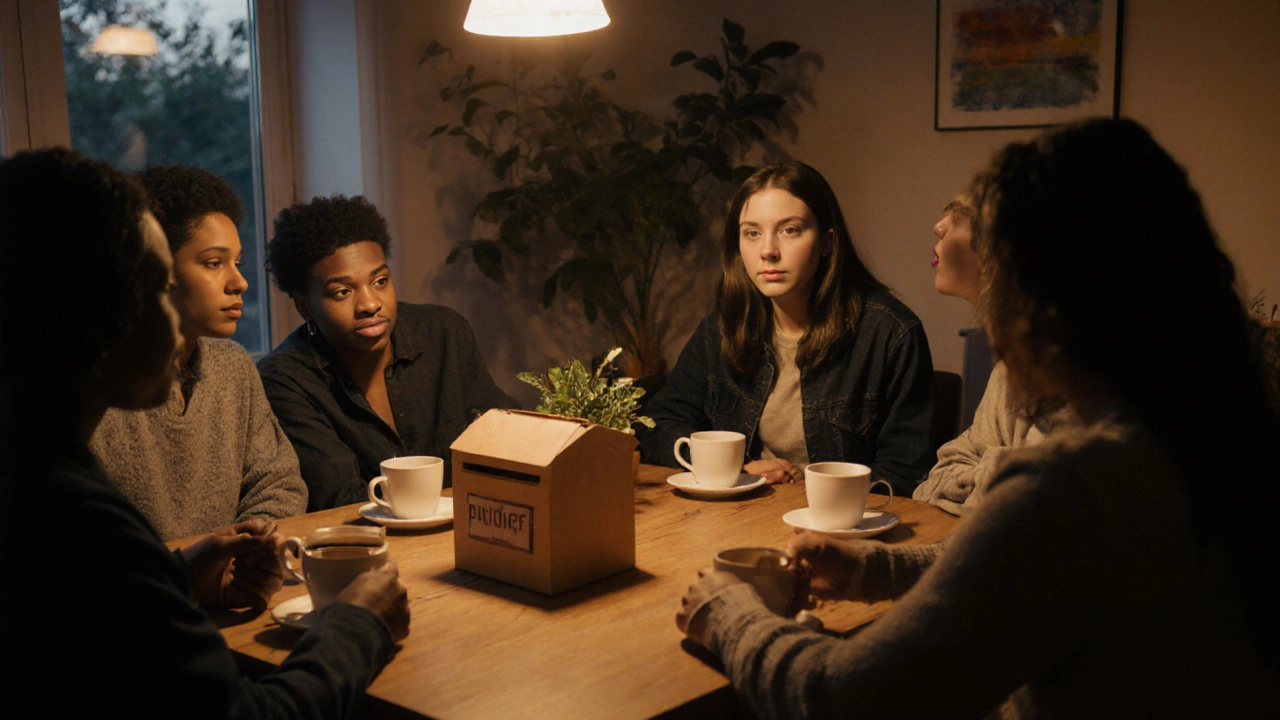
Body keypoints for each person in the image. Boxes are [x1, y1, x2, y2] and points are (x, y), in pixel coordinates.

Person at [676, 119, 1279, 718]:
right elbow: (1022, 566)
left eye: (978, 231)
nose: (943, 228)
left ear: (1035, 296)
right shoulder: (1199, 443)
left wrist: (728, 614)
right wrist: (874, 566)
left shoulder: (1076, 486)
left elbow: (846, 696)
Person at [0, 148, 410, 717]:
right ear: (92, 308)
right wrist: (357, 625)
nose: (172, 312)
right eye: (155, 285)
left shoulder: (35, 466)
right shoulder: (74, 518)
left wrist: (176, 578)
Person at [640, 161, 934, 495]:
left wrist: (817, 494)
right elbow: (658, 425)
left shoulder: (890, 333)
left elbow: (905, 472)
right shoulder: (722, 329)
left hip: (841, 531)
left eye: (789, 230)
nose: (767, 251)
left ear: (826, 242)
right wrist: (733, 470)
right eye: (752, 233)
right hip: (737, 516)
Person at [91, 165, 307, 541]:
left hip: (230, 581)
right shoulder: (106, 387)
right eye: (213, 263)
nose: (239, 282)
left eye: (237, 263)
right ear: (156, 268)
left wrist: (244, 548)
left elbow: (279, 482)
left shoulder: (233, 365)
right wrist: (193, 568)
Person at [257, 195, 514, 510]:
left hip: (466, 533)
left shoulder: (443, 333)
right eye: (342, 292)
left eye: (380, 281)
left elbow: (504, 441)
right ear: (305, 306)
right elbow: (341, 499)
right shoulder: (286, 380)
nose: (369, 304)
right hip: (364, 549)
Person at [912, 194, 1075, 516]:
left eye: (960, 216)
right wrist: (998, 471)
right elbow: (934, 481)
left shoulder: (1063, 372)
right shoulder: (1008, 368)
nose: (938, 226)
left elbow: (1036, 507)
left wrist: (988, 472)